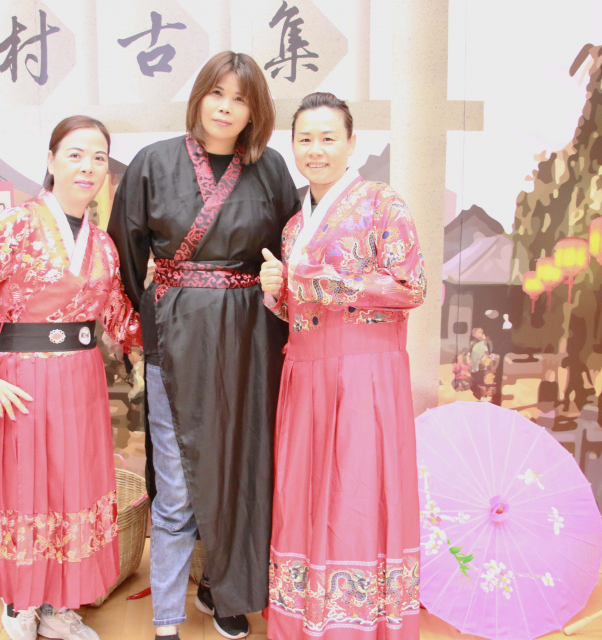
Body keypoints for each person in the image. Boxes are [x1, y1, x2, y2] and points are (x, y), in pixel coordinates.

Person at [108, 51, 301, 640]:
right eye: (217, 93)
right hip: (177, 337)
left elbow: (292, 250)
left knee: (245, 466)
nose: (225, 107)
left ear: (255, 111)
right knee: (176, 480)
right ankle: (167, 617)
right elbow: (123, 254)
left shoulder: (270, 170)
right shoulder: (152, 162)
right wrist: (151, 319)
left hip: (251, 340)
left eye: (240, 98)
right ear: (198, 96)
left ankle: (226, 593)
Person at [0, 116, 142, 640]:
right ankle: (20, 604)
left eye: (98, 157)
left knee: (73, 486)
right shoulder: (16, 226)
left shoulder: (103, 245)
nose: (88, 167)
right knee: (28, 487)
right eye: (75, 154)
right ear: (51, 160)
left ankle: (59, 606)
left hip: (83, 379)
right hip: (23, 378)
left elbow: (120, 318)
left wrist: (180, 311)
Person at [260, 92, 426, 639]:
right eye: (305, 139)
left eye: (328, 138)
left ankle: (360, 624)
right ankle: (304, 618)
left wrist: (325, 282)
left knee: (357, 491)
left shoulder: (382, 203)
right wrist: (276, 291)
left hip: (365, 372)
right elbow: (297, 310)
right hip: (306, 371)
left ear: (351, 143)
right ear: (292, 146)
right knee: (304, 494)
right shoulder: (293, 227)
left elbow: (410, 287)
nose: (316, 149)